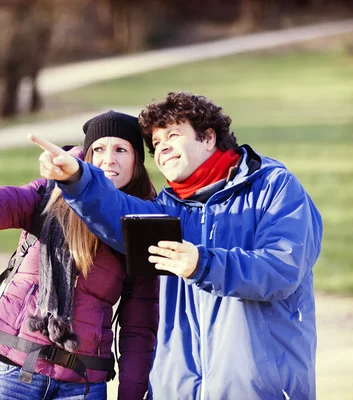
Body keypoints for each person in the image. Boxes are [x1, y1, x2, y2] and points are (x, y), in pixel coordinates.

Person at [30, 92, 323, 399]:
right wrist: (78, 179)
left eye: (173, 135)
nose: (162, 148)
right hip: (178, 390)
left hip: (259, 389)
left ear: (208, 138)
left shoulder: (275, 188)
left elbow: (281, 269)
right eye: (156, 143)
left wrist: (203, 264)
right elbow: (115, 212)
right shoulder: (166, 208)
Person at [0, 110, 159, 400]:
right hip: (12, 372)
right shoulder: (49, 192)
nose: (108, 159)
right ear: (86, 156)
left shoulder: (144, 224)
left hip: (82, 385)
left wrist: (131, 395)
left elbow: (139, 329)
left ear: (137, 162)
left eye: (121, 150)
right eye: (99, 149)